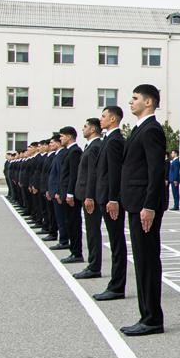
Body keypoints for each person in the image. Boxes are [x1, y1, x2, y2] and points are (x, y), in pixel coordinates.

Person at [119, 84, 168, 335]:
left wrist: (149, 205)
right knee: (141, 260)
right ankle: (146, 315)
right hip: (136, 202)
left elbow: (155, 170)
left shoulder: (151, 130)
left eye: (135, 98)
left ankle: (152, 319)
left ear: (149, 102)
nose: (131, 102)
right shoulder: (139, 128)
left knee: (147, 261)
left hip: (144, 205)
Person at [92, 106, 127, 302]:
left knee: (116, 242)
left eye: (104, 116)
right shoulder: (108, 139)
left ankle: (117, 286)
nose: (101, 119)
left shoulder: (114, 141)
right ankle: (115, 284)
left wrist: (113, 198)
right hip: (104, 196)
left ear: (113, 119)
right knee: (115, 242)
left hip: (111, 198)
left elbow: (115, 172)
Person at [71, 118, 104, 280]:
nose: (82, 129)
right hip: (86, 194)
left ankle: (94, 266)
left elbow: (93, 173)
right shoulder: (90, 146)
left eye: (85, 127)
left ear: (92, 129)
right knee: (91, 231)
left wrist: (90, 195)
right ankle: (93, 264)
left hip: (91, 196)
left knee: (93, 231)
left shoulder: (96, 146)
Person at [56, 126, 84, 262]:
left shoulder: (75, 152)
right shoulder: (69, 151)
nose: (60, 138)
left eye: (62, 136)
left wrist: (70, 193)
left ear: (69, 136)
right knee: (69, 222)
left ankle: (77, 253)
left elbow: (74, 175)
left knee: (74, 223)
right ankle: (73, 251)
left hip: (71, 195)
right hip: (66, 194)